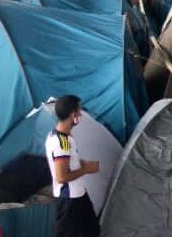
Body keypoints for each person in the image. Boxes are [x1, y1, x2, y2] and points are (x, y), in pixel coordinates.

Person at [46, 95, 101, 237]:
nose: (81, 114)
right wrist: (86, 169)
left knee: (93, 231)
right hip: (69, 200)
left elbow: (69, 162)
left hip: (79, 195)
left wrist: (82, 163)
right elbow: (62, 176)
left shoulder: (60, 136)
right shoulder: (62, 143)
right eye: (79, 111)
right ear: (72, 115)